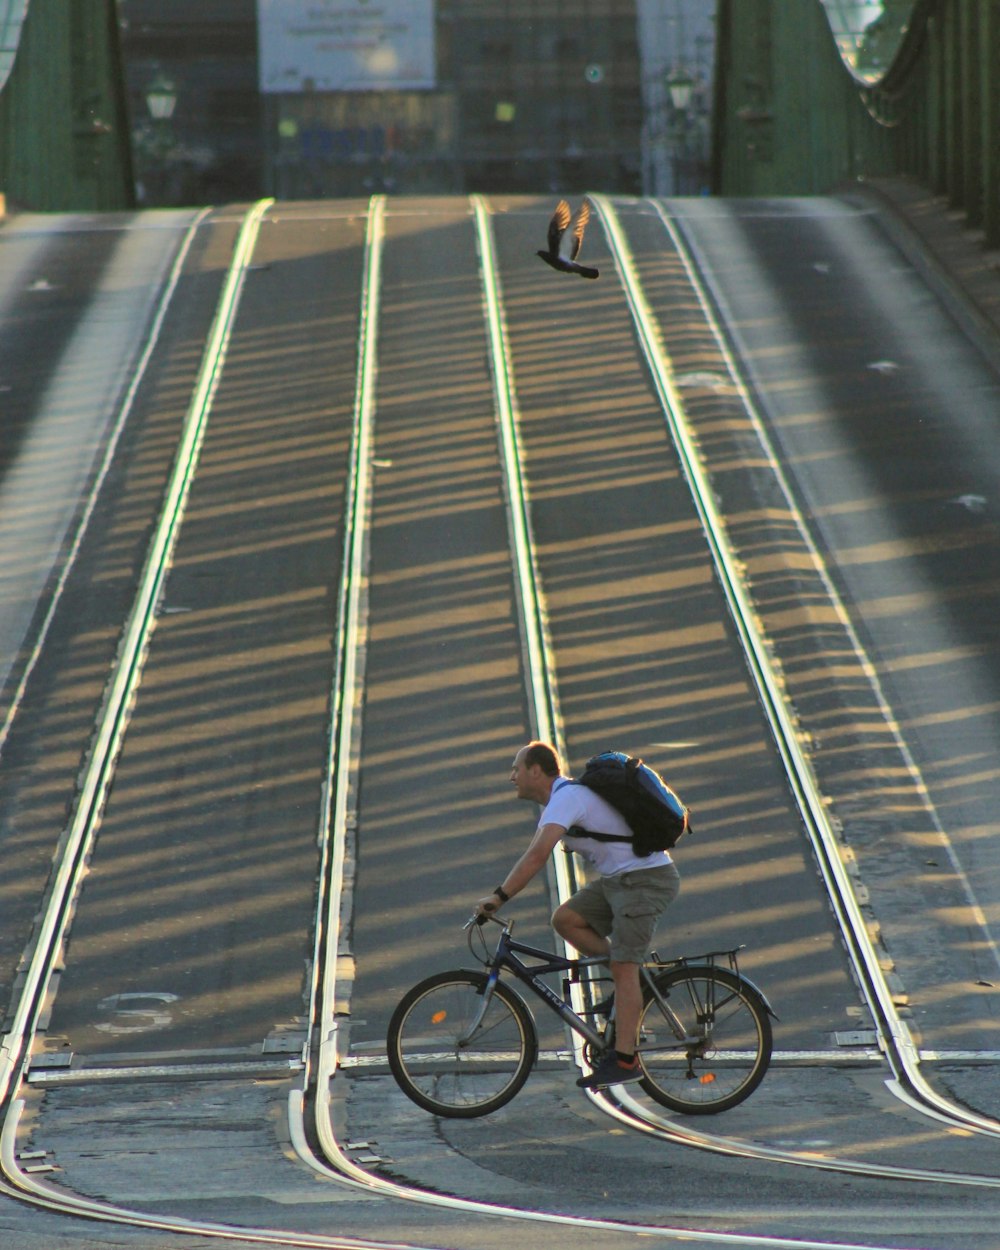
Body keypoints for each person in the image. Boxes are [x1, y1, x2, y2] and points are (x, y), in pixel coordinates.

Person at [475, 740, 681, 1090]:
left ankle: (626, 1060)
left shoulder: (566, 799)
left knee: (624, 966)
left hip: (645, 882)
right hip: (619, 881)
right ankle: (634, 987)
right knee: (565, 920)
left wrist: (499, 896)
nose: (512, 777)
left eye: (516, 769)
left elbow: (537, 855)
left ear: (536, 771)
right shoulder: (563, 800)